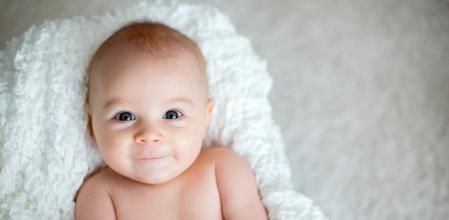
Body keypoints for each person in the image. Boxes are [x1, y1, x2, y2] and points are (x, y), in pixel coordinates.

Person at [75, 21, 268, 220]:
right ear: (92, 124)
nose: (149, 134)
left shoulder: (223, 169)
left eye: (172, 115)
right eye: (125, 116)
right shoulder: (100, 194)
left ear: (205, 118)